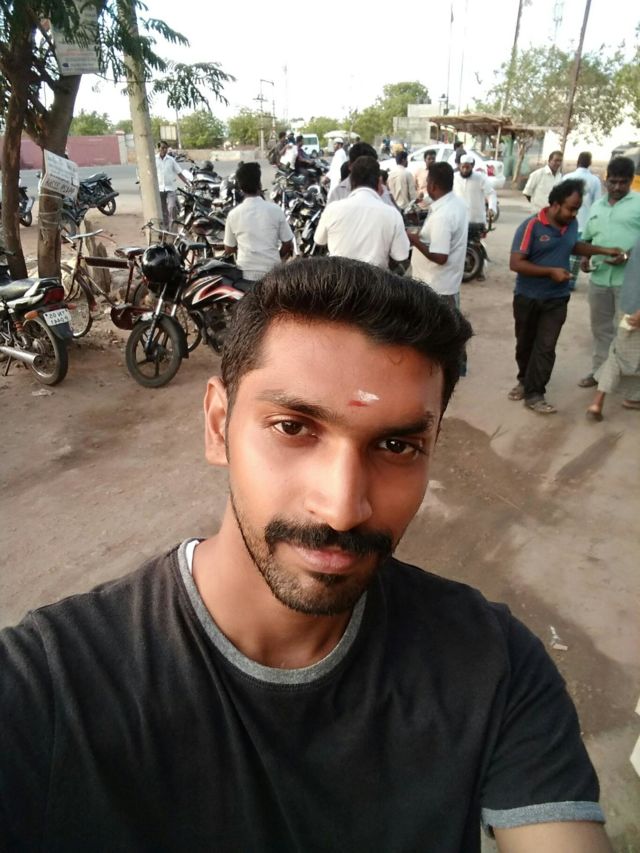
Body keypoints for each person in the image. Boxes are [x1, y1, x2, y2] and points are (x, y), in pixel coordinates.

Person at [0, 256, 613, 852]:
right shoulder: (46, 691)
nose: (343, 509)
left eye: (397, 446)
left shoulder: (493, 667)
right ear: (218, 424)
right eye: (293, 427)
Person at [509, 179, 625, 414]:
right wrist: (550, 272)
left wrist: (603, 250)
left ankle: (535, 394)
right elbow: (516, 263)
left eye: (577, 209)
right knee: (525, 344)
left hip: (557, 299)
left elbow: (574, 245)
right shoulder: (531, 226)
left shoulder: (571, 225)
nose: (574, 214)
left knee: (546, 346)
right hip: (527, 297)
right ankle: (524, 380)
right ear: (554, 205)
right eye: (571, 208)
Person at [577, 156, 640, 388]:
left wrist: (628, 256)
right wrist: (585, 258)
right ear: (606, 180)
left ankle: (629, 383)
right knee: (601, 329)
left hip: (630, 282)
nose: (617, 187)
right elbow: (588, 238)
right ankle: (599, 374)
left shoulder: (638, 204)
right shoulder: (597, 206)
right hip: (600, 279)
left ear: (631, 181)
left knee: (628, 331)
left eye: (623, 182)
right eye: (613, 181)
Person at [314, 156, 410, 269]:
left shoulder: (332, 209)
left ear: (351, 182)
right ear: (379, 182)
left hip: (339, 278)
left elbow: (319, 240)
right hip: (376, 278)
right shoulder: (392, 214)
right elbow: (401, 255)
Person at [586, 233, 640, 420]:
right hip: (636, 308)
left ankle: (607, 401)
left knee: (620, 351)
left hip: (629, 302)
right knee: (622, 354)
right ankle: (598, 401)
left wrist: (625, 256)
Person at [406, 161, 469, 307]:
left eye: (427, 182)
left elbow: (440, 257)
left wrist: (414, 240)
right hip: (445, 283)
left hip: (436, 287)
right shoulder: (457, 203)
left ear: (433, 185)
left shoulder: (443, 215)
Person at [223, 161, 293, 282]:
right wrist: (276, 257)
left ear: (240, 187)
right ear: (259, 184)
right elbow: (288, 243)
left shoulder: (233, 214)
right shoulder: (275, 210)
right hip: (272, 273)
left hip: (245, 275)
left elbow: (229, 249)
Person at [453, 154, 498, 281]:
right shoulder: (454, 178)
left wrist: (491, 208)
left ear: (472, 166)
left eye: (467, 167)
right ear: (459, 166)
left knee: (478, 244)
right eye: (463, 167)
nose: (465, 169)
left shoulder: (480, 178)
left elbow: (491, 194)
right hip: (458, 219)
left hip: (476, 218)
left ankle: (480, 270)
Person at [563, 152, 603, 290]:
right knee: (576, 256)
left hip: (566, 221)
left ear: (577, 161)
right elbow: (597, 204)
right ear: (590, 163)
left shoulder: (567, 177)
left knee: (564, 251)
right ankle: (570, 282)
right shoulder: (595, 180)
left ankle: (561, 279)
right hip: (585, 223)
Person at [326, 141, 396, 207]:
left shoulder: (383, 191)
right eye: (360, 165)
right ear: (350, 166)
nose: (365, 170)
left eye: (370, 166)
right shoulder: (338, 193)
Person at [155, 139, 189, 229]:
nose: (164, 150)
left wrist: (188, 183)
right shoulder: (154, 160)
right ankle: (166, 227)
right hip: (159, 188)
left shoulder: (171, 160)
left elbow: (179, 172)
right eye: (162, 148)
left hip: (170, 188)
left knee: (172, 207)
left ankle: (173, 226)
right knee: (163, 209)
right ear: (158, 148)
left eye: (166, 148)